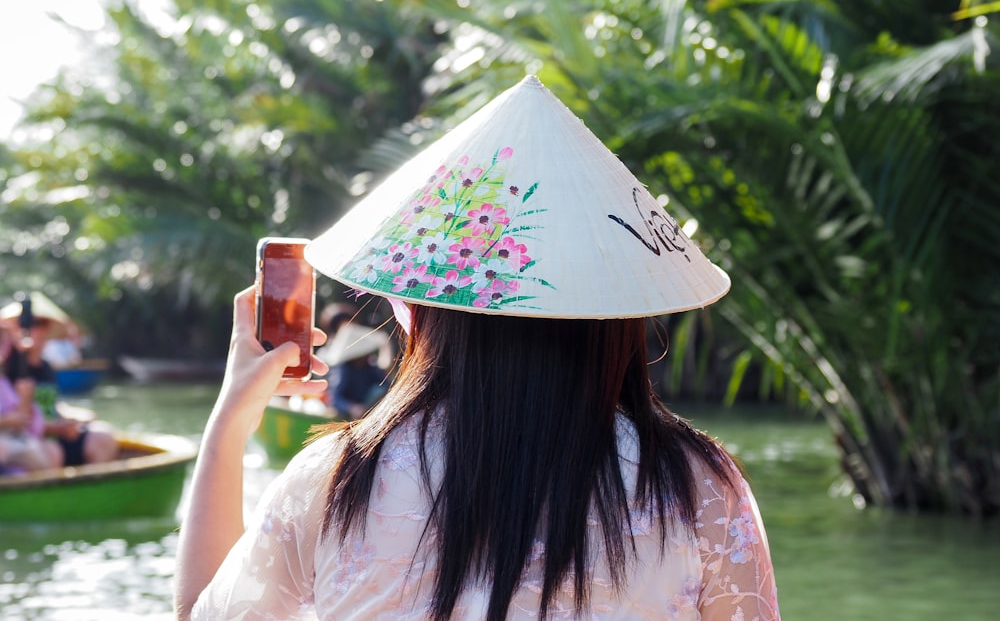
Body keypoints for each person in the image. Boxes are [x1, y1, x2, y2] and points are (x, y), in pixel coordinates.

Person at [175, 75, 780, 620]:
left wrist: (231, 417)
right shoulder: (695, 484)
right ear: (613, 313)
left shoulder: (336, 482)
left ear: (427, 310)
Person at [2, 296, 119, 466]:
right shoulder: (11, 368)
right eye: (29, 323)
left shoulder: (46, 367)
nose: (33, 329)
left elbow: (50, 405)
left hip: (55, 432)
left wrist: (73, 417)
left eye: (39, 323)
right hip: (34, 437)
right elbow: (19, 418)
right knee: (51, 451)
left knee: (103, 437)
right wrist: (56, 428)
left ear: (48, 329)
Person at [0, 324, 61, 473]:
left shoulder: (4, 384)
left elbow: (27, 426)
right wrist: (5, 421)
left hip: (14, 446)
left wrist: (25, 400)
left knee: (47, 450)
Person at [318, 322, 392, 419]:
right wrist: (352, 408)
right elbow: (335, 398)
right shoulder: (344, 369)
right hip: (347, 416)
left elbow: (386, 384)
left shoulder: (370, 368)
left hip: (366, 411)